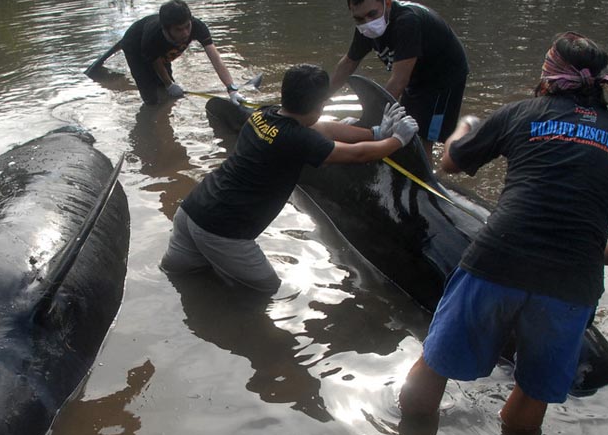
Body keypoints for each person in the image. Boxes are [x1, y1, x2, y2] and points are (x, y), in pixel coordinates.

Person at [397, 32, 608, 435]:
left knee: (435, 365)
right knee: (534, 392)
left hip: (496, 262)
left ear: (550, 76)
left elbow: (450, 163)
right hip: (571, 284)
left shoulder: (524, 113)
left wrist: (465, 127)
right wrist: (590, 253)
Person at [160, 63, 419, 294]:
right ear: (320, 105)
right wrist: (397, 140)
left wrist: (375, 133)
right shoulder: (299, 139)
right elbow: (357, 155)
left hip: (192, 210)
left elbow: (325, 128)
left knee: (176, 277)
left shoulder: (265, 114)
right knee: (266, 290)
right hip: (223, 231)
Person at [330, 0, 468, 157]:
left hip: (442, 78)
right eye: (359, 18)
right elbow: (348, 63)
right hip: (415, 76)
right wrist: (319, 99)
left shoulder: (407, 22)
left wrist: (373, 121)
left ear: (387, 4)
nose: (367, 21)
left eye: (372, 14)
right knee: (405, 125)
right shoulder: (366, 28)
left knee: (424, 135)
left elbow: (399, 81)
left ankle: (429, 170)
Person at [92, 0, 245, 106]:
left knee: (168, 95)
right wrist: (169, 84)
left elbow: (215, 58)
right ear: (166, 29)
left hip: (163, 50)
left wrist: (231, 88)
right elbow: (156, 62)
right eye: (179, 29)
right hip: (135, 46)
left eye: (187, 26)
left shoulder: (197, 26)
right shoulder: (153, 36)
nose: (185, 33)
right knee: (151, 98)